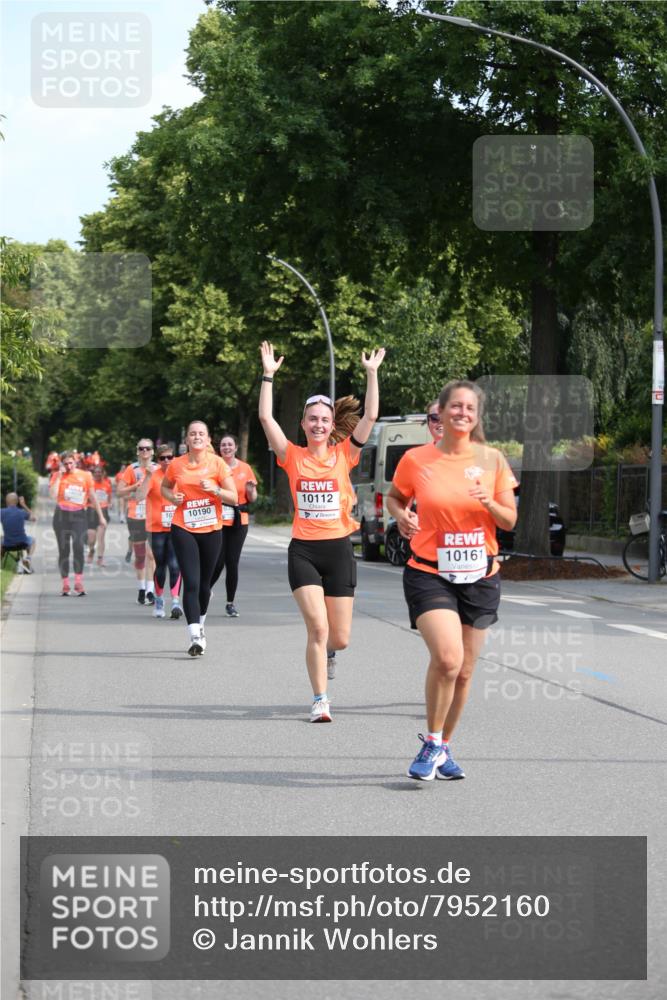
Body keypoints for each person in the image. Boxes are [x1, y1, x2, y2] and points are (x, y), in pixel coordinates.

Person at [386, 380, 518, 781]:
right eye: (455, 406)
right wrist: (401, 515)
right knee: (447, 658)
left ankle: (442, 746)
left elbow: (510, 520)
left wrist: (488, 500)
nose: (462, 413)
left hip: (480, 576)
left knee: (464, 671)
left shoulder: (493, 460)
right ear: (440, 413)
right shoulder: (416, 459)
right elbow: (395, 496)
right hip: (429, 572)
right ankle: (431, 740)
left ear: (477, 417)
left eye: (470, 408)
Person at [259, 340, 385, 723]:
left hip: (338, 550)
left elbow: (371, 417)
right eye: (311, 419)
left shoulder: (345, 453)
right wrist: (268, 375)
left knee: (339, 637)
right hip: (304, 552)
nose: (318, 424)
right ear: (303, 424)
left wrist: (371, 374)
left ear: (331, 426)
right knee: (317, 627)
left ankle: (329, 652)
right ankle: (320, 699)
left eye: (324, 419)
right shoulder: (291, 455)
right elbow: (266, 419)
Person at [161, 421, 237, 655]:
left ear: (208, 439)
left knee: (204, 585)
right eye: (192, 433)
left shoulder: (217, 464)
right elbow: (165, 488)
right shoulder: (176, 465)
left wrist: (215, 490)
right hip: (183, 527)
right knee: (191, 583)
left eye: (201, 434)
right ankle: (195, 635)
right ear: (186, 439)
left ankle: (200, 624)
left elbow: (233, 497)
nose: (196, 437)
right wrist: (173, 498)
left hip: (212, 529)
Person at [209, 433, 257, 618]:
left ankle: (230, 603)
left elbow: (252, 498)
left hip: (239, 519)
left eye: (230, 445)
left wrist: (251, 490)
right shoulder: (214, 467)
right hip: (219, 518)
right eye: (223, 445)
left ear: (236, 447)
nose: (226, 448)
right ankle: (206, 590)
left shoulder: (245, 468)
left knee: (232, 561)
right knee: (218, 560)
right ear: (219, 449)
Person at [136, 444, 183, 620]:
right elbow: (139, 496)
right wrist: (148, 476)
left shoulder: (179, 475)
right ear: (158, 460)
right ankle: (158, 600)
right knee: (161, 566)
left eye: (170, 457)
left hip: (176, 526)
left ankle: (176, 602)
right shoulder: (153, 476)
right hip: (156, 528)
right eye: (163, 458)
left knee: (175, 565)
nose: (166, 461)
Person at [49, 451, 104, 595]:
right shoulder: (57, 476)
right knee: (64, 550)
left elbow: (92, 496)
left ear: (76, 462)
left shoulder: (85, 476)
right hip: (61, 515)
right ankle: (65, 584)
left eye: (71, 463)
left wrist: (101, 516)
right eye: (65, 463)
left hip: (79, 514)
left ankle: (78, 582)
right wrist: (60, 477)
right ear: (62, 464)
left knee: (79, 546)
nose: (68, 466)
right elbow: (53, 495)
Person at [117, 439, 157, 605]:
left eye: (148, 448)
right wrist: (135, 487)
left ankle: (150, 590)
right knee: (140, 556)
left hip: (153, 515)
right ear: (137, 451)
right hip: (136, 515)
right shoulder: (131, 469)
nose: (145, 451)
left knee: (151, 555)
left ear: (153, 451)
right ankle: (141, 588)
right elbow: (120, 492)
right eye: (141, 448)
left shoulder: (158, 468)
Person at [1, 492, 36, 572]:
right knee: (32, 540)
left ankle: (1, 564)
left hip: (7, 544)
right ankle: (28, 559)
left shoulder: (2, 512)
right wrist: (23, 505)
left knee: (1, 541)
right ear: (17, 502)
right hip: (22, 543)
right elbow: (34, 518)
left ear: (6, 501)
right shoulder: (22, 512)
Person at [87, 466, 112, 566]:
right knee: (91, 539)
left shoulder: (107, 485)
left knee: (101, 537)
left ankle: (100, 558)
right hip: (91, 511)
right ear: (93, 474)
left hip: (103, 511)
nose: (98, 474)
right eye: (96, 472)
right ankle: (91, 551)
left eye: (100, 472)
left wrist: (109, 503)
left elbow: (109, 497)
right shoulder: (90, 484)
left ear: (103, 473)